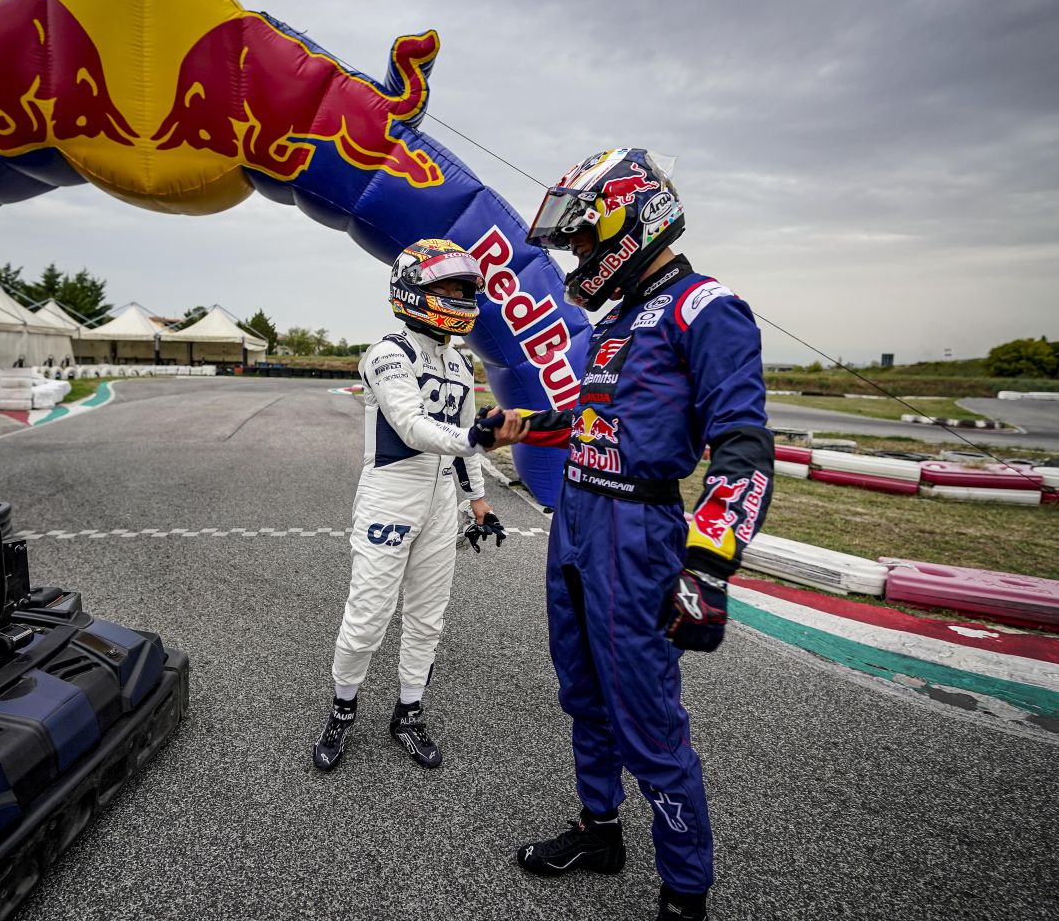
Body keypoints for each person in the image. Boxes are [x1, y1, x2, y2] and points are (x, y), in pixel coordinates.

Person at [507, 149, 775, 921]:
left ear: (629, 220)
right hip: (576, 520)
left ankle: (685, 893)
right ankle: (599, 831)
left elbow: (744, 444)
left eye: (582, 239)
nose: (576, 255)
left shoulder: (706, 306)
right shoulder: (615, 321)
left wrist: (710, 561)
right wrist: (514, 423)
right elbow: (589, 416)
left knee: (648, 723)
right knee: (581, 695)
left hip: (637, 530)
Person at [313, 238, 526, 772]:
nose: (461, 297)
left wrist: (478, 502)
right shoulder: (388, 352)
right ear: (411, 289)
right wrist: (474, 438)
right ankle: (342, 711)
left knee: (428, 618)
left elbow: (464, 440)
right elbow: (412, 427)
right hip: (390, 495)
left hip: (441, 500)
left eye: (465, 288)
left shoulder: (460, 362)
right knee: (368, 617)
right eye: (448, 287)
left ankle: (408, 714)